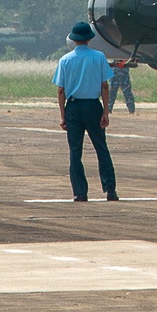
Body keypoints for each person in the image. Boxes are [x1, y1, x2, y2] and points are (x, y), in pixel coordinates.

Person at [53, 22, 118, 202]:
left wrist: (63, 116)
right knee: (101, 148)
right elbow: (105, 85)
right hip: (93, 106)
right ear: (89, 38)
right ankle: (110, 189)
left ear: (74, 40)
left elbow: (61, 90)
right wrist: (105, 112)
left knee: (75, 151)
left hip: (73, 107)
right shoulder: (99, 57)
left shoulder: (65, 60)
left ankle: (80, 192)